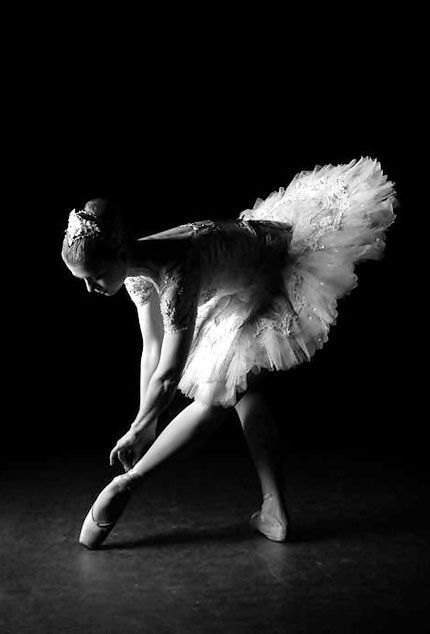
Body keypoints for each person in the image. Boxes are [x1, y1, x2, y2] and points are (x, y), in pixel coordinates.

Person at [61, 156, 397, 549]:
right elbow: (152, 348)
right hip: (232, 282)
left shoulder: (175, 278)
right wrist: (142, 423)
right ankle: (274, 508)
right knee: (244, 389)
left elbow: (168, 375)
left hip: (270, 269)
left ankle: (126, 485)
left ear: (119, 253)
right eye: (84, 281)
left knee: (215, 395)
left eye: (96, 277)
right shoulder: (137, 271)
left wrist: (141, 431)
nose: (91, 290)